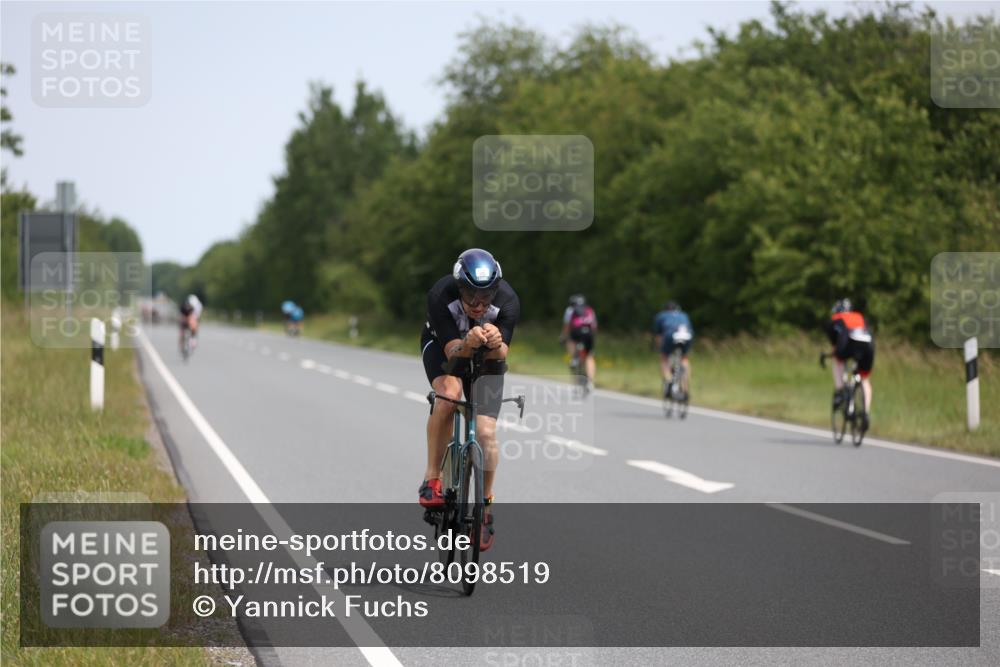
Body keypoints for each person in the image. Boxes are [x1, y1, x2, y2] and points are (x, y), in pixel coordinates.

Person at [418, 248, 520, 552]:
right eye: (471, 296)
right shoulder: (440, 295)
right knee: (449, 396)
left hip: (486, 359)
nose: (478, 305)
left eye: (486, 296)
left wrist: (496, 343)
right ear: (458, 287)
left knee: (487, 433)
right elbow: (452, 355)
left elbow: (502, 355)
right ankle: (432, 477)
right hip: (444, 350)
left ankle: (485, 508)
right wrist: (468, 341)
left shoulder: (508, 302)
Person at [824, 298, 875, 430]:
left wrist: (829, 354)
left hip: (850, 344)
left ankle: (840, 389)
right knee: (864, 379)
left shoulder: (836, 318)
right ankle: (865, 413)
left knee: (837, 360)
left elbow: (836, 345)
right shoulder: (859, 316)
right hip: (868, 345)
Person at [653, 301, 694, 397]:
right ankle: (685, 388)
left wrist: (661, 349)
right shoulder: (684, 315)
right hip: (686, 335)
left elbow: (659, 336)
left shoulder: (661, 315)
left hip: (670, 335)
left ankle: (668, 380)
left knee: (664, 358)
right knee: (684, 359)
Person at [560, 294, 597, 391]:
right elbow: (594, 326)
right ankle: (590, 382)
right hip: (588, 334)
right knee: (589, 356)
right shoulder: (589, 310)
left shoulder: (570, 310)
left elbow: (567, 326)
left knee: (570, 340)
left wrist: (563, 337)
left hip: (576, 332)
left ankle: (574, 358)